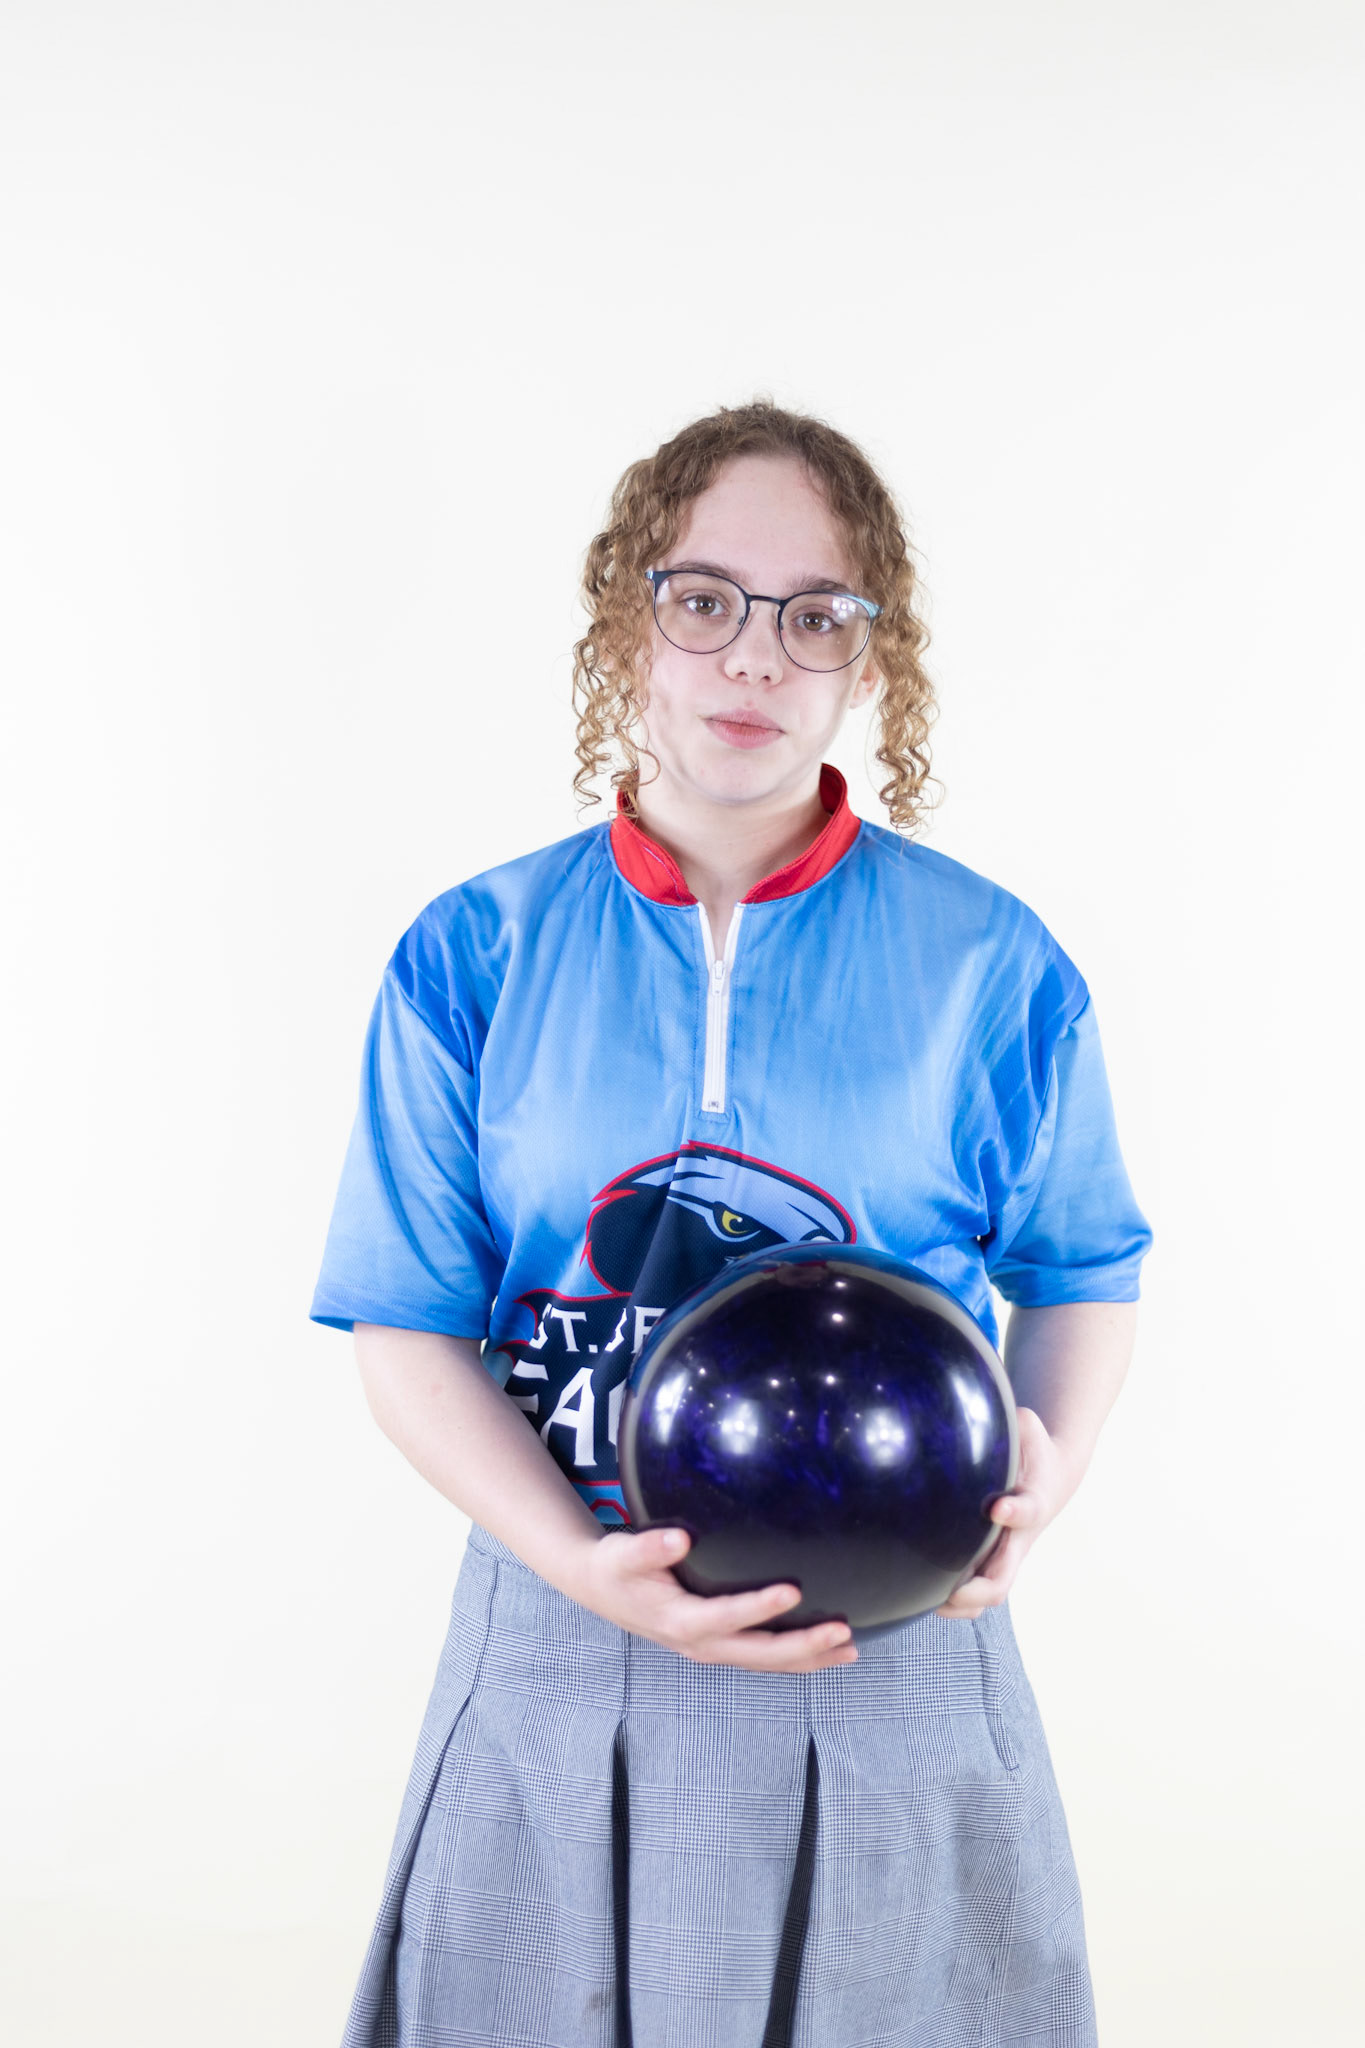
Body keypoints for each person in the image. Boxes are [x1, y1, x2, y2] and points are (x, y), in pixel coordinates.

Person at [311, 400, 1151, 2048]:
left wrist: (1046, 1469)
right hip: (559, 1639)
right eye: (704, 601)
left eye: (813, 615)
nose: (753, 659)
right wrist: (582, 1570)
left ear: (867, 660)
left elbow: (1081, 1273)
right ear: (627, 623)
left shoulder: (991, 964)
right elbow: (407, 1328)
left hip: (892, 1644)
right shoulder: (471, 953)